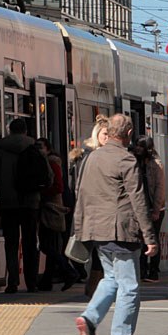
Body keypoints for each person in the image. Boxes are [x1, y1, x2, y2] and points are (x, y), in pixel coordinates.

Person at [73, 113, 158, 335]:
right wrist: (150, 237)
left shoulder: (91, 158)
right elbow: (138, 200)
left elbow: (81, 194)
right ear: (129, 134)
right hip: (121, 230)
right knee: (129, 286)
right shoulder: (126, 159)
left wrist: (80, 229)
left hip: (97, 231)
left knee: (111, 278)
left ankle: (89, 318)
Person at [0, 118, 42, 294]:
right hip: (30, 204)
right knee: (30, 242)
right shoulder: (34, 148)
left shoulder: (1, 151)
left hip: (8, 203)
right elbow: (47, 176)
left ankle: (12, 281)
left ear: (10, 131)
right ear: (25, 131)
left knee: (11, 243)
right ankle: (32, 282)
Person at [68, 115, 110, 295]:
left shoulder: (109, 154)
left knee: (102, 250)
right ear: (97, 134)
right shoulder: (89, 156)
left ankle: (95, 287)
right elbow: (80, 187)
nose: (107, 138)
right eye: (105, 134)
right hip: (93, 210)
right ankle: (94, 286)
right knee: (98, 249)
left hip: (101, 210)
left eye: (110, 134)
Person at [34, 138, 77, 291]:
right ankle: (48, 279)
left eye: (41, 146)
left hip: (52, 209)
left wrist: (41, 193)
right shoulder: (47, 161)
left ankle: (69, 271)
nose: (38, 149)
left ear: (48, 148)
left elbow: (58, 186)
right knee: (49, 245)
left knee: (47, 245)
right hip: (50, 208)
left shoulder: (52, 162)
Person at [133, 136, 165, 283]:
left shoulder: (155, 163)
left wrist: (156, 209)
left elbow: (160, 187)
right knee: (140, 240)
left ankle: (153, 271)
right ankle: (142, 270)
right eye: (137, 145)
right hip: (140, 207)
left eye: (141, 146)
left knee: (153, 238)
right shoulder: (133, 161)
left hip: (153, 207)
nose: (138, 149)